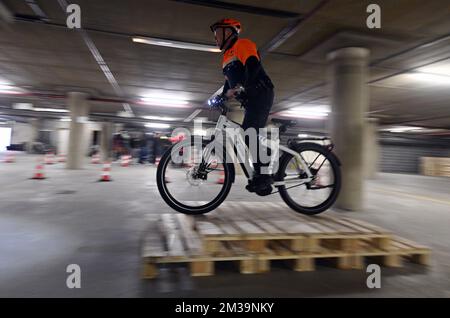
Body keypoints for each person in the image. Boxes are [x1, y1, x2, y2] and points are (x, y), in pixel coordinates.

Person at [210, 18, 275, 194]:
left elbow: (253, 66)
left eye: (218, 33)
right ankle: (261, 168)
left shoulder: (243, 44)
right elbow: (228, 83)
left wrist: (241, 86)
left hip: (261, 93)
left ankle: (263, 174)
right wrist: (220, 97)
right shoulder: (226, 57)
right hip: (250, 98)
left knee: (248, 132)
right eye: (215, 35)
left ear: (229, 32)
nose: (216, 38)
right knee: (246, 132)